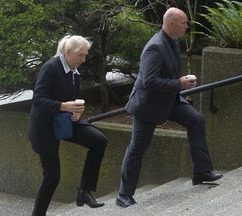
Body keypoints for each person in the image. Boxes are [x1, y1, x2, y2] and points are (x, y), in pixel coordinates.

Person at [116, 7, 223, 208]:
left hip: (168, 99)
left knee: (196, 120)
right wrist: (179, 84)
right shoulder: (155, 47)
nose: (186, 27)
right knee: (137, 148)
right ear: (171, 24)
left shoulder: (172, 42)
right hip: (147, 105)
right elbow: (149, 81)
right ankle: (123, 195)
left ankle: (201, 172)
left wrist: (179, 85)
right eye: (183, 23)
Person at [29, 35, 107, 216]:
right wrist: (63, 106)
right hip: (44, 127)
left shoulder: (74, 71)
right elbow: (38, 100)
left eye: (85, 55)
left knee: (98, 140)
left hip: (64, 121)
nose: (84, 60)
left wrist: (75, 112)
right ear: (68, 52)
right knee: (52, 177)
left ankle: (84, 191)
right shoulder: (50, 67)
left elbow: (70, 100)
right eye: (81, 55)